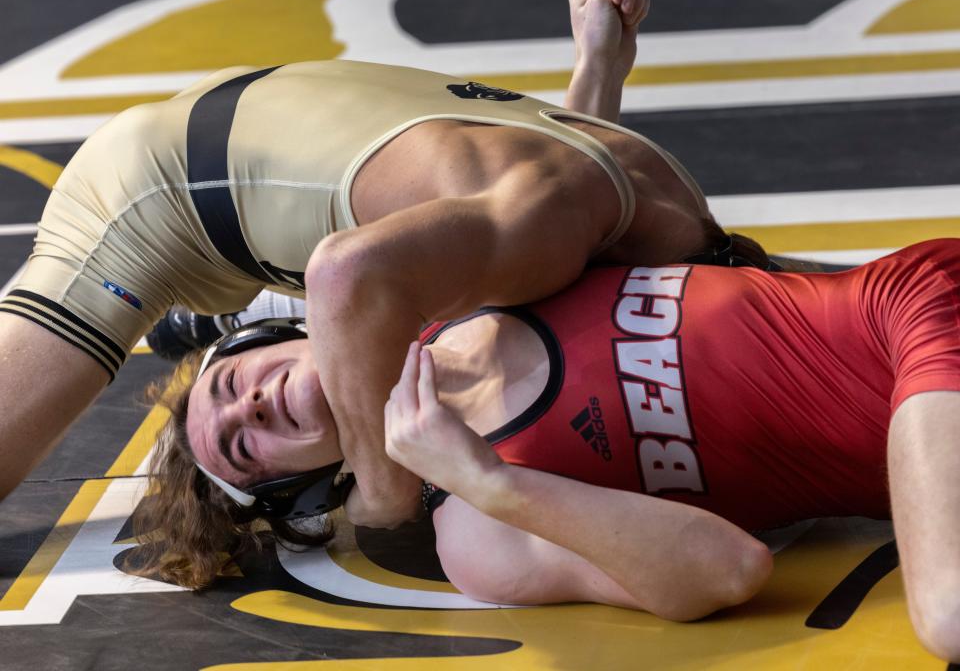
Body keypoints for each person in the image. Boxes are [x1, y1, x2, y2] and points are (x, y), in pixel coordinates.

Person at [0, 0, 760, 525]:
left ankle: (241, 305)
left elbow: (553, 213)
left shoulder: (642, 200)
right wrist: (383, 491)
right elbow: (345, 274)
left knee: (451, 290)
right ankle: (240, 305)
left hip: (236, 154)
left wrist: (600, 66)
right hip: (153, 202)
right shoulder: (563, 232)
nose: (251, 405)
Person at [137, 239, 960, 661]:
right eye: (244, 446)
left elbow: (568, 199)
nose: (249, 403)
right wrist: (493, 482)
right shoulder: (476, 533)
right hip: (923, 427)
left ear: (271, 336)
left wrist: (597, 61)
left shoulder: (453, 287)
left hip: (912, 311)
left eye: (227, 385)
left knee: (949, 614)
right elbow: (728, 570)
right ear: (301, 493)